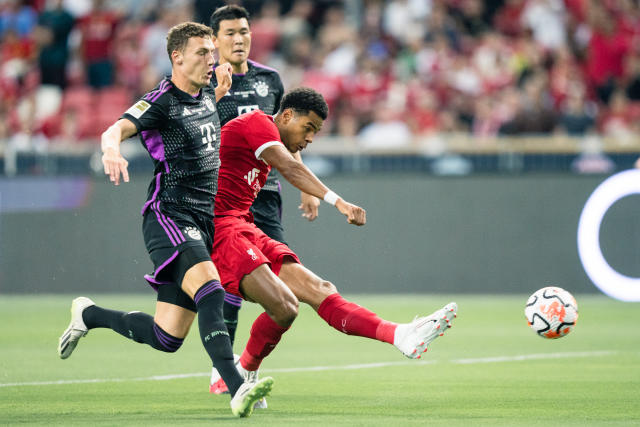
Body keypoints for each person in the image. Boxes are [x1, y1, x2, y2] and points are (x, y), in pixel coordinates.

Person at [56, 22, 272, 418]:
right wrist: (112, 149)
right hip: (169, 215)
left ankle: (89, 314)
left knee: (167, 336)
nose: (212, 59)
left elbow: (215, 90)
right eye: (203, 53)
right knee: (211, 290)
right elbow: (115, 128)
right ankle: (238, 387)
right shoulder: (162, 100)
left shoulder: (208, 91)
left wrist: (221, 85)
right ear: (177, 57)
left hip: (202, 223)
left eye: (212, 52)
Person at [212, 87, 458, 392]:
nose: (311, 138)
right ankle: (237, 372)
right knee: (279, 308)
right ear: (286, 116)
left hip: (244, 227)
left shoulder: (272, 138)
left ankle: (399, 334)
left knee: (318, 290)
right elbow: (289, 166)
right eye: (309, 128)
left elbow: (291, 160)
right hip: (220, 230)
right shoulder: (256, 123)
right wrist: (337, 201)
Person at [207, 5, 320, 395]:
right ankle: (224, 368)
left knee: (276, 277)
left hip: (264, 192)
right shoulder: (203, 82)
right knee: (228, 283)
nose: (239, 39)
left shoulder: (269, 79)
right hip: (220, 192)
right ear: (214, 39)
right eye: (230, 33)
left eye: (244, 31)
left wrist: (305, 186)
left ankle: (245, 369)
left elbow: (286, 134)